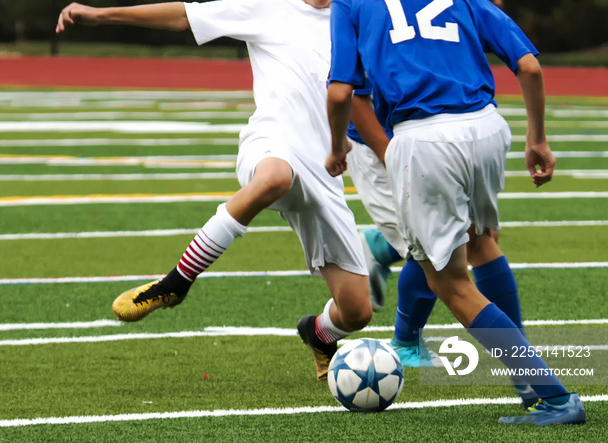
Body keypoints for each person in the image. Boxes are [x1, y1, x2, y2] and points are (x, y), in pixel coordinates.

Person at [56, 0, 373, 382]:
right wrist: (101, 14)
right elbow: (185, 16)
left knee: (357, 312)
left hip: (325, 173)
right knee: (275, 178)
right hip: (272, 144)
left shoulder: (355, 17)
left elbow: (361, 93)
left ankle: (319, 333)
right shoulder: (268, 8)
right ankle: (175, 283)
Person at [326, 0, 585, 426]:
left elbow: (341, 92)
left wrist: (338, 148)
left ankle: (551, 396)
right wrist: (537, 139)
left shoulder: (352, 3)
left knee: (449, 283)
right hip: (485, 127)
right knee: (482, 241)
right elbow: (531, 67)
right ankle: (528, 388)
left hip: (424, 137)